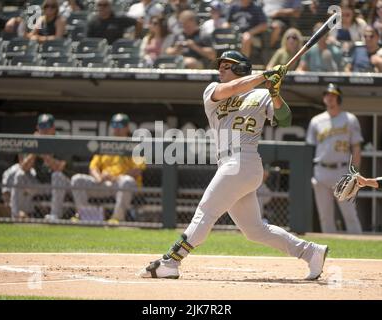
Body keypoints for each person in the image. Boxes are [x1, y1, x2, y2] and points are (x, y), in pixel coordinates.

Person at [139, 50, 328, 281]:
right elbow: (231, 89)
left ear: (240, 68)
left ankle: (170, 262)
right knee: (255, 230)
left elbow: (284, 118)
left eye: (227, 66)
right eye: (221, 66)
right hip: (230, 164)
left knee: (206, 211)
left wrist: (275, 93)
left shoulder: (261, 95)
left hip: (243, 160)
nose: (220, 69)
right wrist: (263, 76)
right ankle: (311, 252)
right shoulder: (212, 90)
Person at [306, 83, 363, 234]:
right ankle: (331, 252)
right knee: (325, 217)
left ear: (339, 98)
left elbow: (356, 148)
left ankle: (358, 247)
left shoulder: (349, 119)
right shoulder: (316, 121)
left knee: (350, 215)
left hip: (342, 170)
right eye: (327, 95)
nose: (329, 98)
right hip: (321, 171)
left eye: (333, 95)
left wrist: (355, 173)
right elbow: (310, 149)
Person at [71, 114, 146, 224]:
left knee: (127, 181)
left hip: (121, 184)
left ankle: (117, 218)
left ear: (127, 128)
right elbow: (93, 167)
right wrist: (99, 177)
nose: (117, 128)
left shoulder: (135, 146)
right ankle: (85, 215)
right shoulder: (105, 143)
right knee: (77, 179)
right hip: (103, 183)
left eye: (120, 125)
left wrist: (115, 177)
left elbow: (137, 170)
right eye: (114, 125)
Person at [10, 114, 73, 220]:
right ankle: (15, 214)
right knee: (19, 175)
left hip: (63, 185)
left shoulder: (63, 140)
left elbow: (60, 168)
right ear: (37, 128)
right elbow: (24, 168)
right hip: (40, 184)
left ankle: (54, 216)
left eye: (47, 127)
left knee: (57, 176)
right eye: (41, 127)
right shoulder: (33, 141)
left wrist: (43, 154)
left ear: (53, 128)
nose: (44, 131)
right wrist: (35, 149)